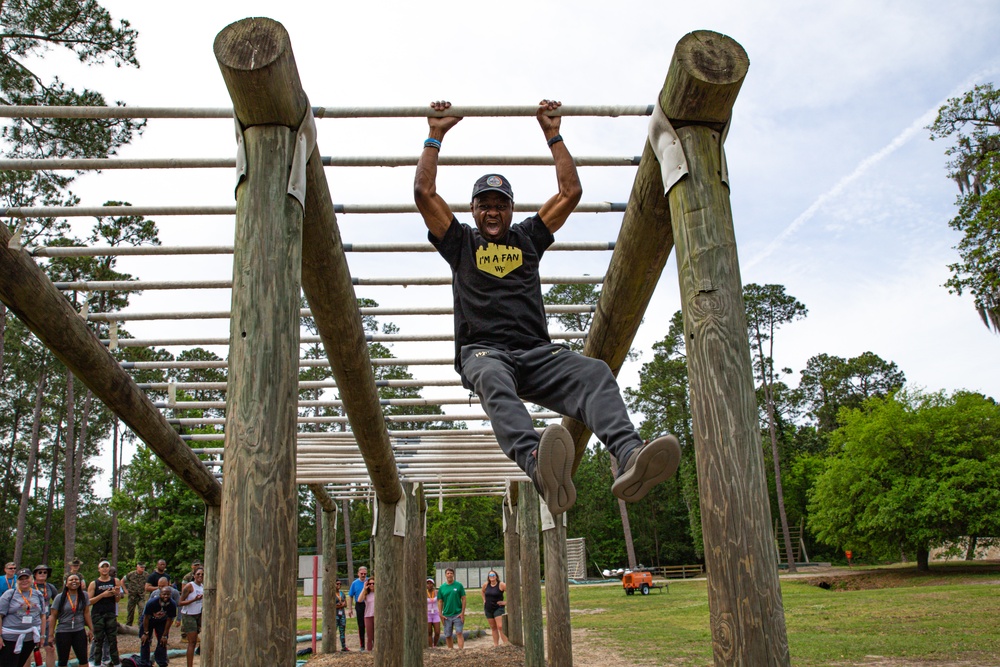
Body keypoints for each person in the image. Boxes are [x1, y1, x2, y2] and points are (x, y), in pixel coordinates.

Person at [414, 99, 682, 515]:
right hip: (484, 351)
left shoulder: (526, 238)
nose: (492, 211)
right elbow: (423, 193)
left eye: (500, 204)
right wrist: (435, 136)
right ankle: (537, 463)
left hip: (537, 353)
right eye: (484, 204)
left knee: (594, 372)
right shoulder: (460, 242)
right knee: (490, 377)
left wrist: (553, 134)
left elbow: (570, 192)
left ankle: (629, 455)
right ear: (472, 210)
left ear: (511, 209)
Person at [0, 568, 46, 667]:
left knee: (19, 663)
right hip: (10, 638)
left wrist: (42, 635)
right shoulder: (9, 594)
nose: (24, 581)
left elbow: (43, 615)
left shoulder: (37, 594)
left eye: (27, 578)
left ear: (32, 579)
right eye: (21, 579)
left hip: (29, 638)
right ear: (17, 581)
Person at [47, 574, 93, 667]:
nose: (74, 581)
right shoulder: (59, 597)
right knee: (63, 660)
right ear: (66, 584)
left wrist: (92, 629)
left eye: (76, 579)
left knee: (83, 658)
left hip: (79, 630)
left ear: (80, 583)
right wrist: (50, 635)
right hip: (63, 631)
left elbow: (86, 613)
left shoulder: (84, 595)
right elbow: (53, 616)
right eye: (71, 580)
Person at [86, 562, 119, 667]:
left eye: (106, 567)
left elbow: (117, 600)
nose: (105, 569)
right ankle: (96, 663)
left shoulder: (115, 581)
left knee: (112, 640)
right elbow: (89, 601)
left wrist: (116, 593)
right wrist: (102, 595)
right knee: (98, 640)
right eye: (102, 567)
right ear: (98, 569)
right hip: (97, 614)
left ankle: (116, 662)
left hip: (110, 613)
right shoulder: (94, 583)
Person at [138, 580, 175, 667]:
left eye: (168, 594)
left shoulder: (172, 604)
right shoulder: (152, 603)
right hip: (148, 620)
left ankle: (161, 662)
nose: (166, 596)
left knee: (162, 642)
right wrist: (145, 632)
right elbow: (146, 617)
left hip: (161, 622)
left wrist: (165, 635)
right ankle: (144, 663)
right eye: (164, 594)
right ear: (160, 595)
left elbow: (170, 620)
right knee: (145, 641)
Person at [31, 565, 57, 667]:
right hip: (33, 622)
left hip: (46, 622)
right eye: (40, 572)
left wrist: (52, 615)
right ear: (35, 575)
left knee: (50, 648)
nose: (42, 574)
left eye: (45, 572)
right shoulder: (30, 586)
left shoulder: (50, 587)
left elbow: (58, 602)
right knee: (27, 650)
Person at [177, 568, 203, 667]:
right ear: (194, 575)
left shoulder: (203, 586)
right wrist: (193, 600)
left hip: (198, 614)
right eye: (198, 574)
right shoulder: (189, 586)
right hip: (189, 615)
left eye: (202, 574)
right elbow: (180, 602)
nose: (200, 576)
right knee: (192, 642)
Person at [436, 568, 465, 650]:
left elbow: (464, 598)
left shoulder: (459, 585)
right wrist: (440, 614)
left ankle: (460, 650)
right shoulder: (442, 587)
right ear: (445, 575)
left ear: (453, 575)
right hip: (447, 615)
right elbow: (440, 601)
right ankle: (450, 650)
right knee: (448, 635)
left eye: (451, 573)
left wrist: (462, 612)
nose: (449, 575)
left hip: (457, 613)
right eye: (448, 573)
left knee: (459, 632)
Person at [481, 571, 508, 647]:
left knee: (500, 626)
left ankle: (506, 644)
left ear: (496, 576)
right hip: (488, 608)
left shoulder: (501, 584)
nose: (492, 576)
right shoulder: (486, 585)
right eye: (490, 575)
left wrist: (506, 602)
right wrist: (484, 600)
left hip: (498, 608)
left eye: (493, 575)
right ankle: (496, 645)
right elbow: (482, 592)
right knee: (493, 627)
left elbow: (510, 592)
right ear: (488, 577)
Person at [346, 566, 367, 651]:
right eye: (361, 573)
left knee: (371, 624)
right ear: (358, 574)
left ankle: (372, 643)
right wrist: (350, 608)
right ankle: (362, 645)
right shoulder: (354, 583)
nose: (363, 575)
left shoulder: (369, 582)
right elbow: (350, 596)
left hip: (368, 604)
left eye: (365, 574)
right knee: (361, 625)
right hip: (359, 605)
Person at [357, 577, 375, 653]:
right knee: (370, 635)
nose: (371, 585)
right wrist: (364, 589)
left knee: (378, 635)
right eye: (370, 583)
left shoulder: (380, 593)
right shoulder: (367, 594)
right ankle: (369, 651)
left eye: (373, 583)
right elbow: (359, 600)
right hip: (368, 616)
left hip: (377, 616)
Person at [333, 579, 348, 652]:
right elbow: (331, 606)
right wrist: (339, 605)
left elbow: (345, 604)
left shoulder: (342, 593)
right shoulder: (332, 594)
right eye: (337, 584)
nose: (339, 585)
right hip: (334, 615)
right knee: (334, 630)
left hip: (342, 615)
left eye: (340, 584)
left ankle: (344, 646)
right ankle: (333, 646)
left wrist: (341, 605)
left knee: (342, 630)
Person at [425, 578, 441, 648]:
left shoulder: (436, 592)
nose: (429, 585)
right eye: (428, 583)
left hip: (435, 613)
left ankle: (435, 645)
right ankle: (431, 646)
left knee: (437, 632)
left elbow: (440, 601)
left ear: (433, 584)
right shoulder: (424, 593)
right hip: (428, 613)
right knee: (429, 632)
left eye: (430, 583)